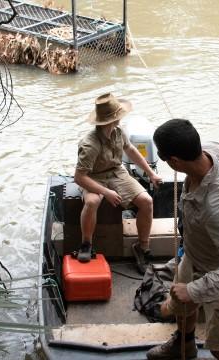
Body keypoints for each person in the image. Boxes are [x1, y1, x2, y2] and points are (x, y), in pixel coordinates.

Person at [148, 119, 219, 360]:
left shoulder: (217, 206)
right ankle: (183, 345)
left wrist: (195, 290)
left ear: (174, 162)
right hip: (195, 256)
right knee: (183, 308)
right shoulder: (216, 149)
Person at [74, 93, 162, 273]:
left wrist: (151, 173)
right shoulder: (90, 144)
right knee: (92, 202)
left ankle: (142, 247)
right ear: (110, 119)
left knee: (147, 201)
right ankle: (86, 244)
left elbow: (130, 150)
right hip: (93, 176)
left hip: (117, 172)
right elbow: (79, 177)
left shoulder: (119, 132)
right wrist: (105, 192)